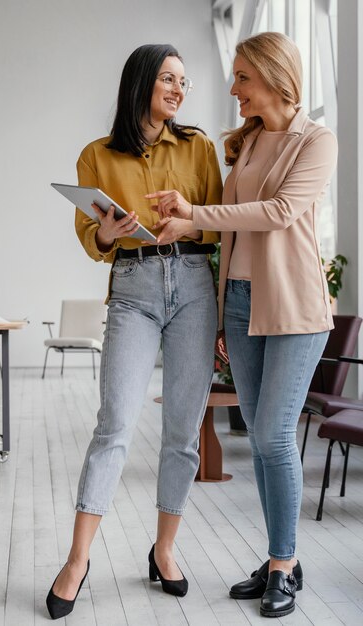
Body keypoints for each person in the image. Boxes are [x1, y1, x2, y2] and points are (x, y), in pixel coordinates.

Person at [150, 32, 337, 618]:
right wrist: (226, 302)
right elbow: (232, 230)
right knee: (259, 437)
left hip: (295, 308)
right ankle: (281, 556)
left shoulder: (317, 140)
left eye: (242, 78)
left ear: (274, 76)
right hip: (242, 301)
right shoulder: (249, 141)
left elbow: (278, 214)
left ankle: (283, 563)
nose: (232, 88)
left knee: (275, 434)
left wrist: (193, 215)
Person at [46, 44, 223, 620]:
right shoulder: (96, 155)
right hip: (133, 284)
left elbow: (217, 230)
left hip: (194, 286)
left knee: (182, 432)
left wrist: (186, 218)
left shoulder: (198, 147)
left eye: (184, 82)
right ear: (141, 82)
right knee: (114, 425)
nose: (178, 89)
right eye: (168, 79)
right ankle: (78, 560)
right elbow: (89, 239)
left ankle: (164, 550)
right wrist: (110, 231)